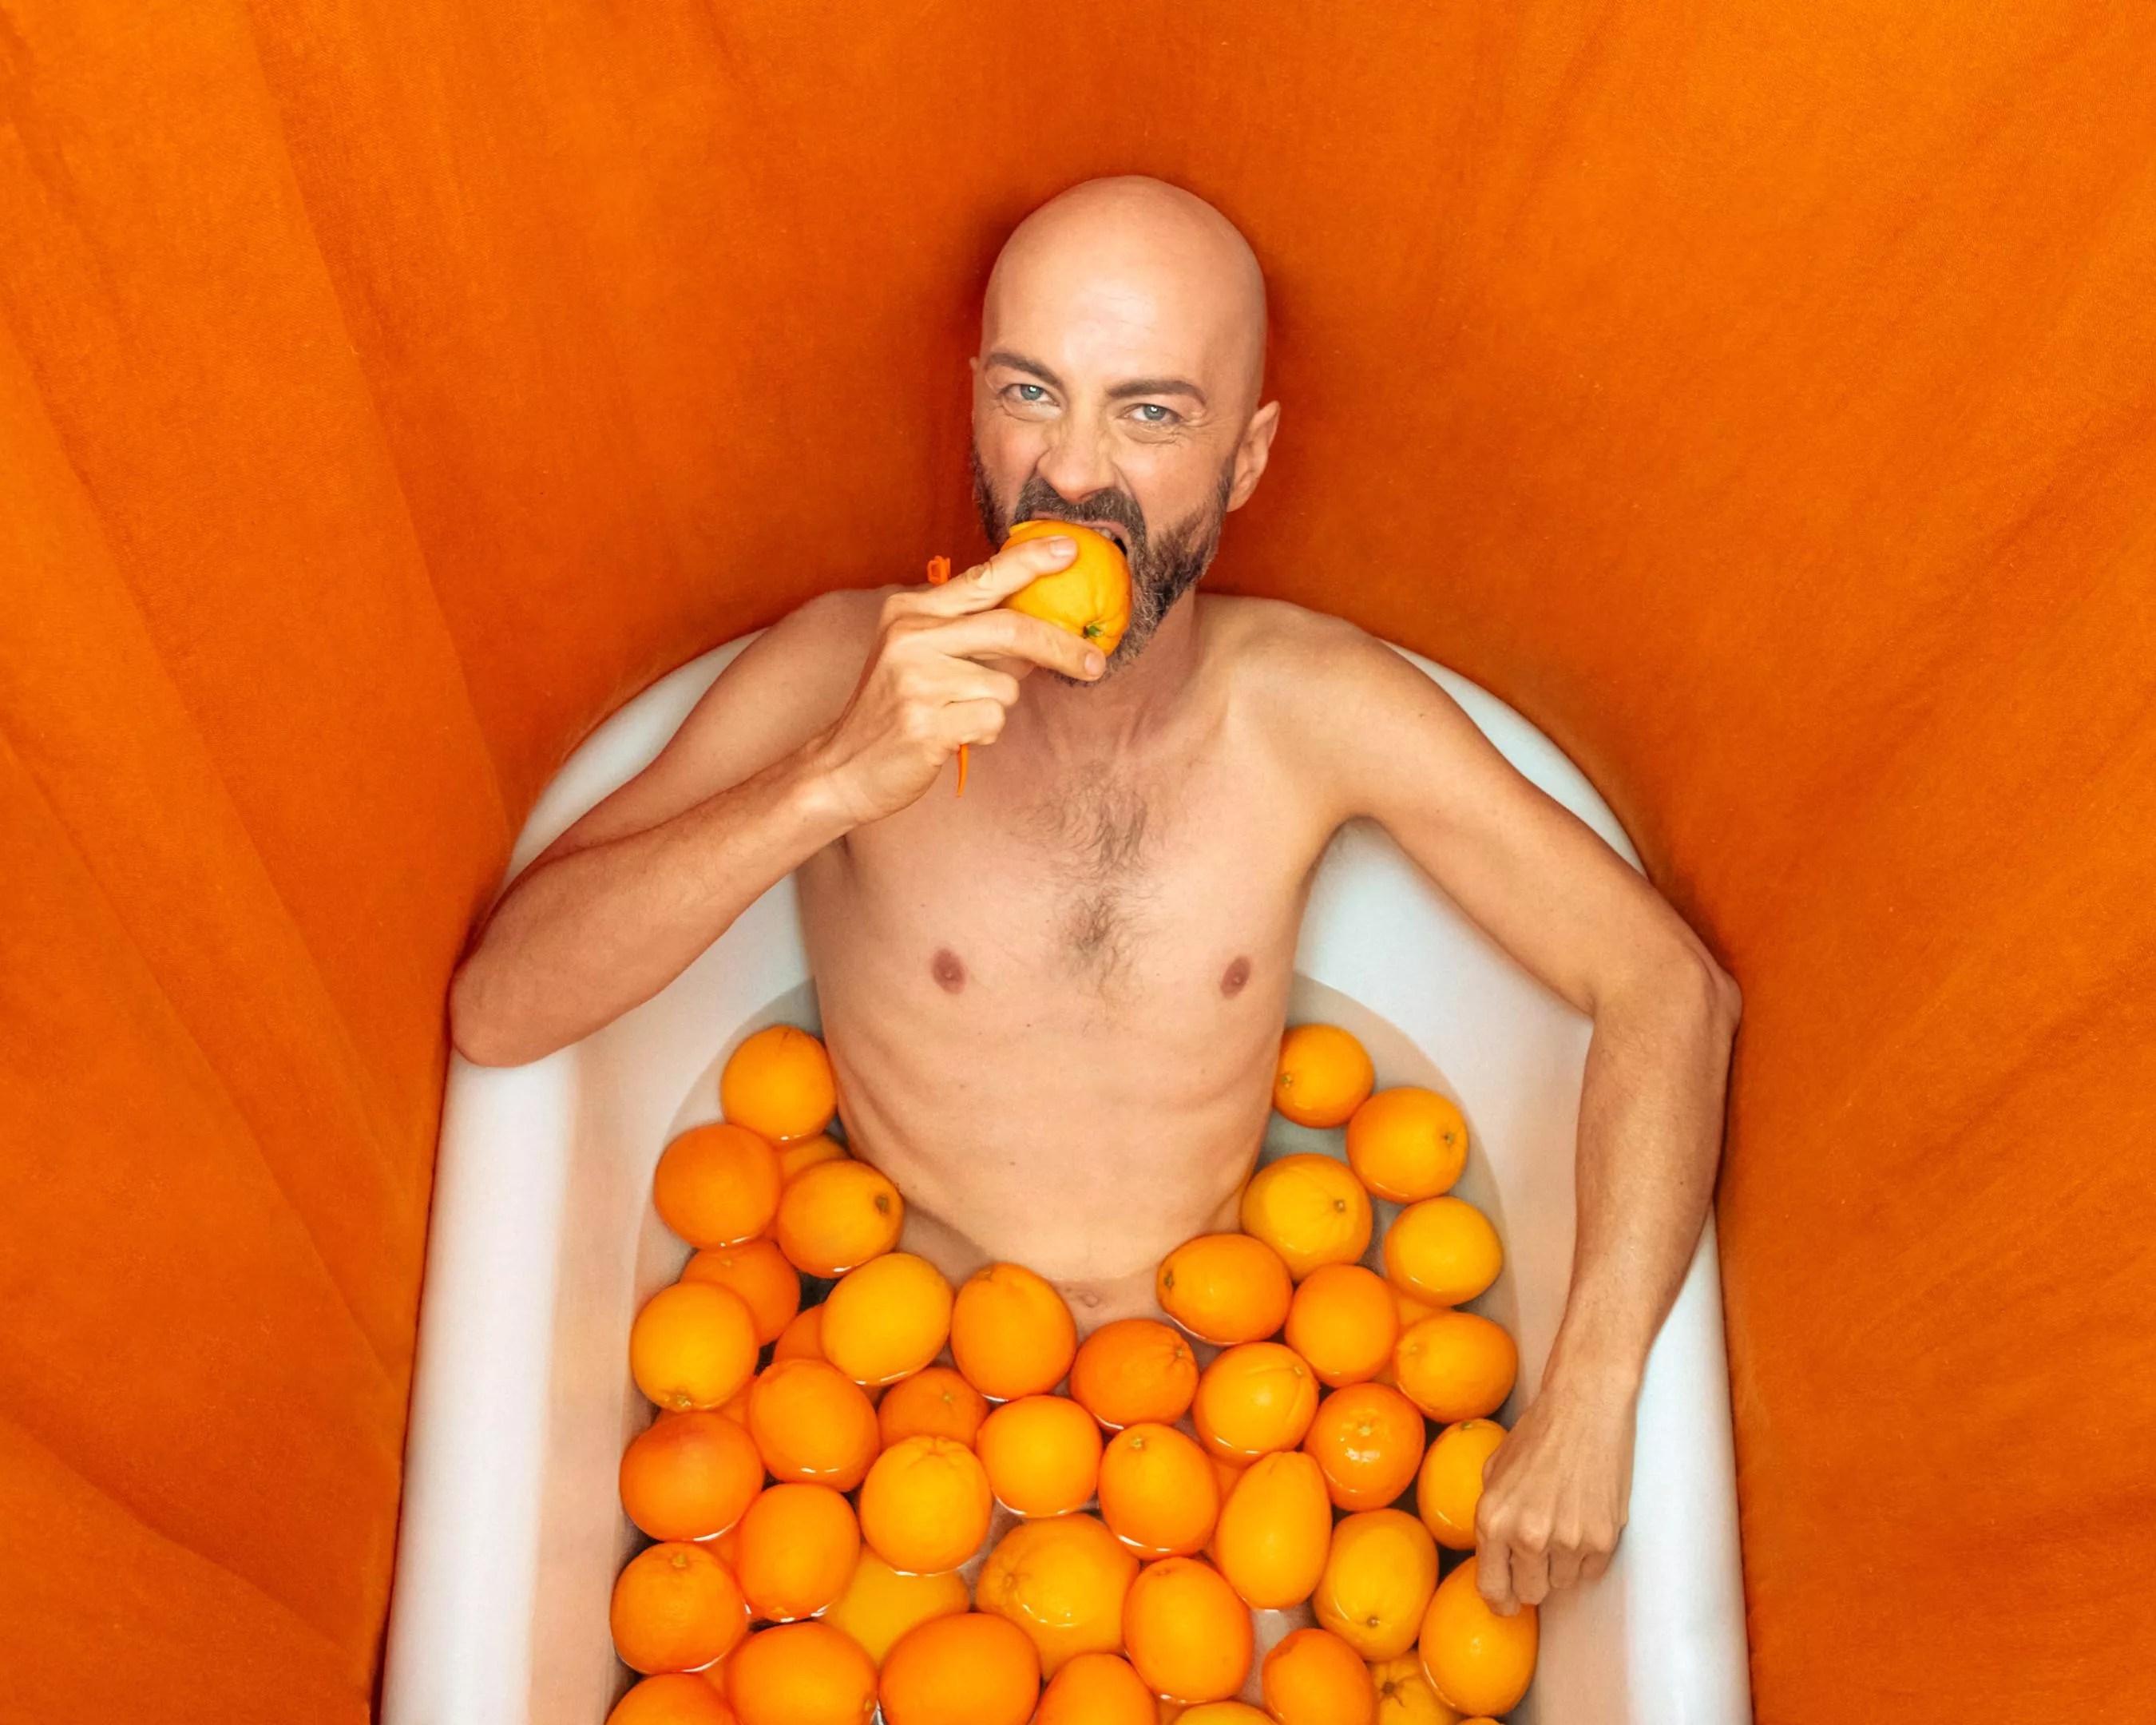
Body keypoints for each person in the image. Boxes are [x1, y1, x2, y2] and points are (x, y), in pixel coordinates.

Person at [448, 175, 1741, 1619]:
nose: (1073, 477)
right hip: (885, 1409)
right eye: (1030, 393)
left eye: (1151, 414)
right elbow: (503, 1009)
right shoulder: (833, 676)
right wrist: (827, 783)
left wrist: (1595, 1391)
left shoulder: (1313, 712)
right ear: (976, 406)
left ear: (1246, 460)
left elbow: (1668, 988)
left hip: (1238, 1409)